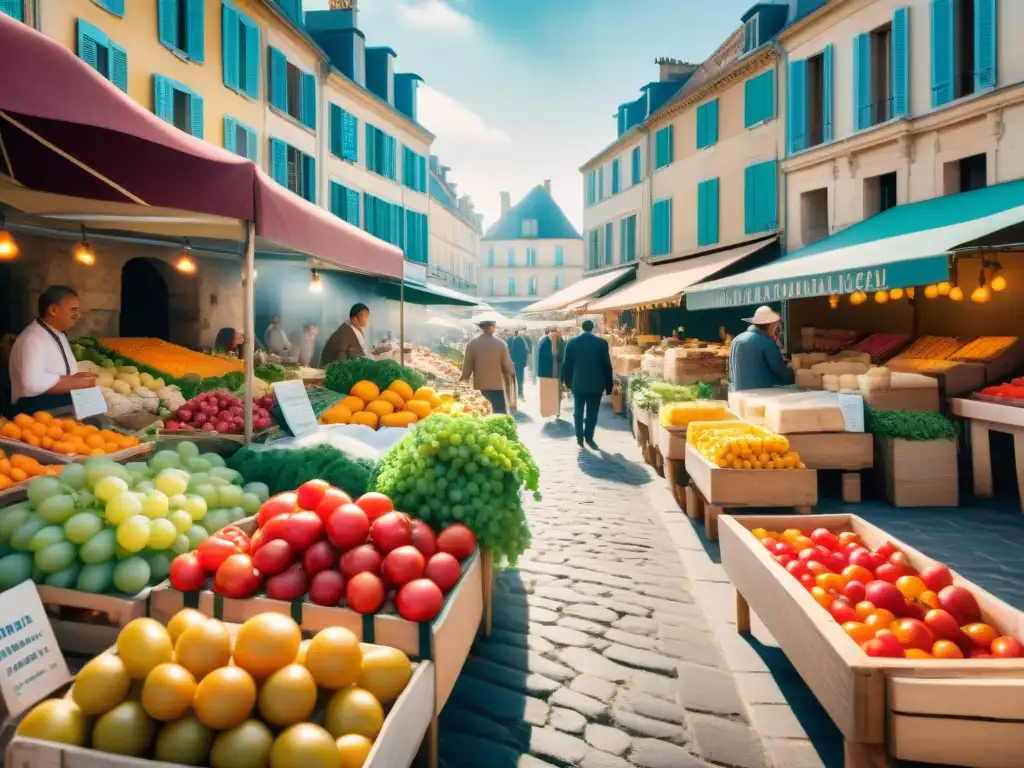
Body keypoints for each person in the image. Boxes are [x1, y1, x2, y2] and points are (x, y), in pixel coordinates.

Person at [6, 286, 97, 416]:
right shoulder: (32, 338)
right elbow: (31, 383)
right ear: (53, 310)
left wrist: (77, 379)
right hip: (34, 409)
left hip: (57, 404)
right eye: (73, 310)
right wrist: (72, 382)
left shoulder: (58, 333)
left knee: (97, 418)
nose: (78, 315)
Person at [561, 319, 613, 449]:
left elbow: (566, 364)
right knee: (592, 412)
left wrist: (566, 382)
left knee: (578, 411)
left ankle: (579, 437)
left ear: (581, 328)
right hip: (596, 383)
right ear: (593, 328)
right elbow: (607, 365)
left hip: (578, 383)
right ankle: (589, 436)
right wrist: (609, 385)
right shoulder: (601, 343)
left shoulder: (572, 342)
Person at [728, 305, 794, 391]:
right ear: (771, 325)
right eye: (776, 326)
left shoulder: (736, 339)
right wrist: (796, 374)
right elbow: (781, 372)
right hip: (761, 398)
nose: (776, 329)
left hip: (740, 397)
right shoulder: (766, 343)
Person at [460, 320, 515, 414]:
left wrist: (463, 378)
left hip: (480, 385)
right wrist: (511, 375)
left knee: (482, 410)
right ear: (493, 328)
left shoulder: (472, 344)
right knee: (499, 412)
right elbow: (507, 366)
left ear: (481, 328)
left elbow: (467, 367)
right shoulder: (501, 344)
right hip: (497, 385)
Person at [536, 328, 564, 419]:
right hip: (548, 373)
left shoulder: (561, 341)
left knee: (558, 392)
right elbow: (541, 358)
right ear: (549, 334)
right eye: (552, 334)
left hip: (558, 372)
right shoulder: (544, 342)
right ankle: (549, 410)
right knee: (548, 392)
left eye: (555, 334)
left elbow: (563, 356)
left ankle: (557, 411)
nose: (554, 336)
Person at [509, 330, 529, 398]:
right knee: (520, 378)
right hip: (520, 362)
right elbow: (526, 351)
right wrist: (525, 360)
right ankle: (520, 393)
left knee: (513, 379)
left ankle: (514, 394)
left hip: (513, 362)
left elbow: (510, 351)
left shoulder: (510, 340)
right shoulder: (522, 340)